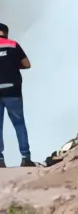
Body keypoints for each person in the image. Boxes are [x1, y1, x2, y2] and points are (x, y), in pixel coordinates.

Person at [0, 24, 31, 167]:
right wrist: (13, 65)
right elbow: (27, 64)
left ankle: (0, 161)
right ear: (5, 33)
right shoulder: (13, 45)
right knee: (19, 123)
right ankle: (25, 158)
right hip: (13, 91)